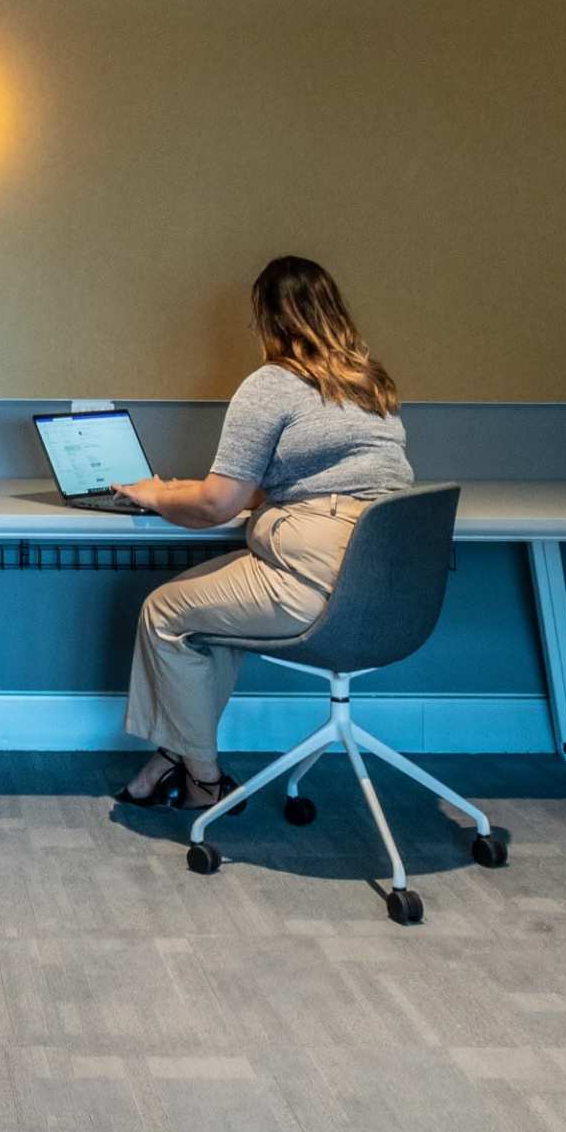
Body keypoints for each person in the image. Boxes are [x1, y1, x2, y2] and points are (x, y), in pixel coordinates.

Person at [109, 255, 415, 813]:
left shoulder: (273, 384)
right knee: (207, 622)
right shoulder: (370, 386)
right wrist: (183, 489)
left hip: (315, 580)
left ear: (268, 320)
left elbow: (217, 506)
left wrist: (153, 496)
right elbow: (280, 483)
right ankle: (172, 758)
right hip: (385, 586)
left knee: (163, 613)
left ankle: (203, 781)